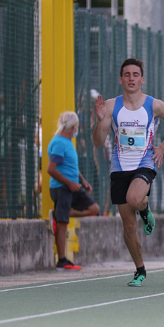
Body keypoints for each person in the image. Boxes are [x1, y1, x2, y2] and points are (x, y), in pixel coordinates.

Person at [94, 57, 164, 286]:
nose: (131, 79)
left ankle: (144, 208)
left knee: (134, 198)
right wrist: (100, 121)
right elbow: (97, 142)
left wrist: (162, 147)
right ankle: (140, 270)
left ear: (142, 79)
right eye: (127, 75)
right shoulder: (111, 106)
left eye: (135, 75)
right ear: (120, 79)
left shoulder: (154, 105)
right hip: (119, 167)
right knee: (128, 226)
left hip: (144, 162)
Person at [47, 111, 100, 271]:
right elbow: (51, 169)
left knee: (94, 208)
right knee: (63, 224)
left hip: (73, 187)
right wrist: (70, 183)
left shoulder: (69, 142)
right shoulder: (59, 142)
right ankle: (62, 260)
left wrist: (82, 181)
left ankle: (59, 214)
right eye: (77, 125)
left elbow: (71, 166)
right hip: (62, 188)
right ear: (73, 126)